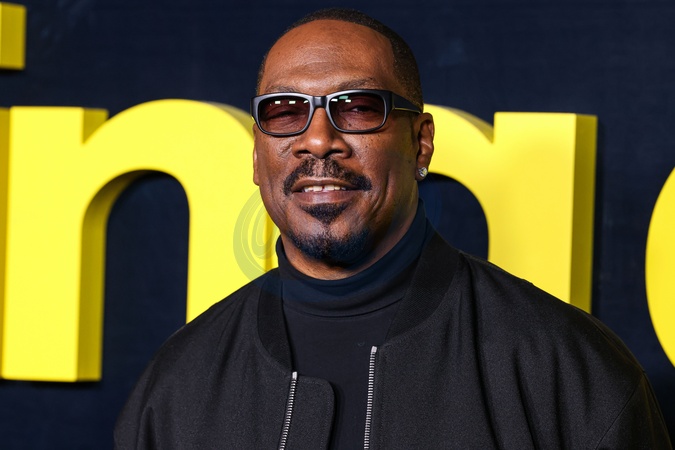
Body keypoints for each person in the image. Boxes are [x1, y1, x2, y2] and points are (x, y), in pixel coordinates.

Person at [114, 8, 672, 449]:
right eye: (285, 111)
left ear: (421, 143)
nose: (317, 140)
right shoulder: (176, 387)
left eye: (357, 107)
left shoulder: (567, 371)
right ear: (257, 157)